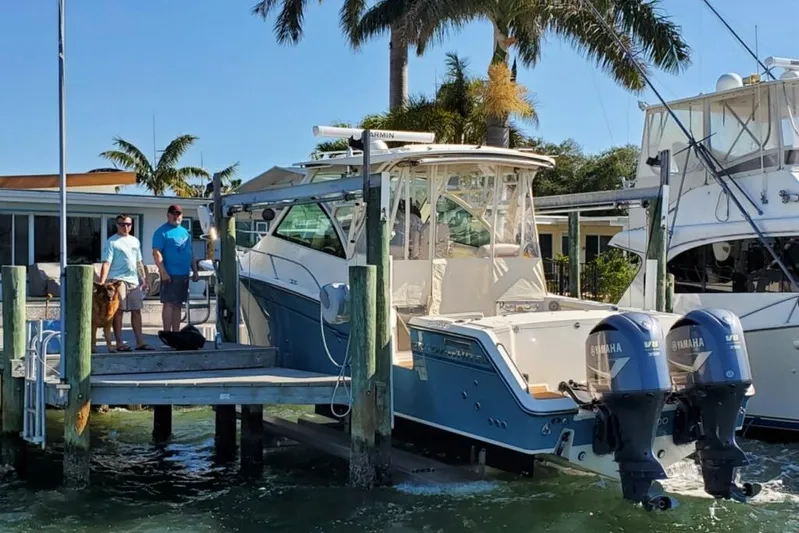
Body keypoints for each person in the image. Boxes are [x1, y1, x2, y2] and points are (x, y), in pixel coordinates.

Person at [98, 214, 153, 351]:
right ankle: (119, 343)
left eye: (128, 224)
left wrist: (144, 279)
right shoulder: (112, 242)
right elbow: (106, 263)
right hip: (117, 280)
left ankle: (140, 342)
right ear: (117, 225)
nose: (125, 226)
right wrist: (102, 283)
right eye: (122, 224)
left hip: (133, 281)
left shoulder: (135, 241)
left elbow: (138, 261)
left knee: (136, 311)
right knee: (119, 312)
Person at [152, 204, 199, 332]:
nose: (175, 216)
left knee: (178, 304)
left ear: (182, 216)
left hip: (183, 274)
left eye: (178, 214)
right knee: (168, 303)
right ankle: (167, 333)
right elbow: (156, 253)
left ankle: (176, 333)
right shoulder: (161, 232)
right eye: (173, 214)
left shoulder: (185, 232)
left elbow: (190, 252)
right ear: (168, 215)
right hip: (169, 274)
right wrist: (163, 272)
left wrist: (195, 270)